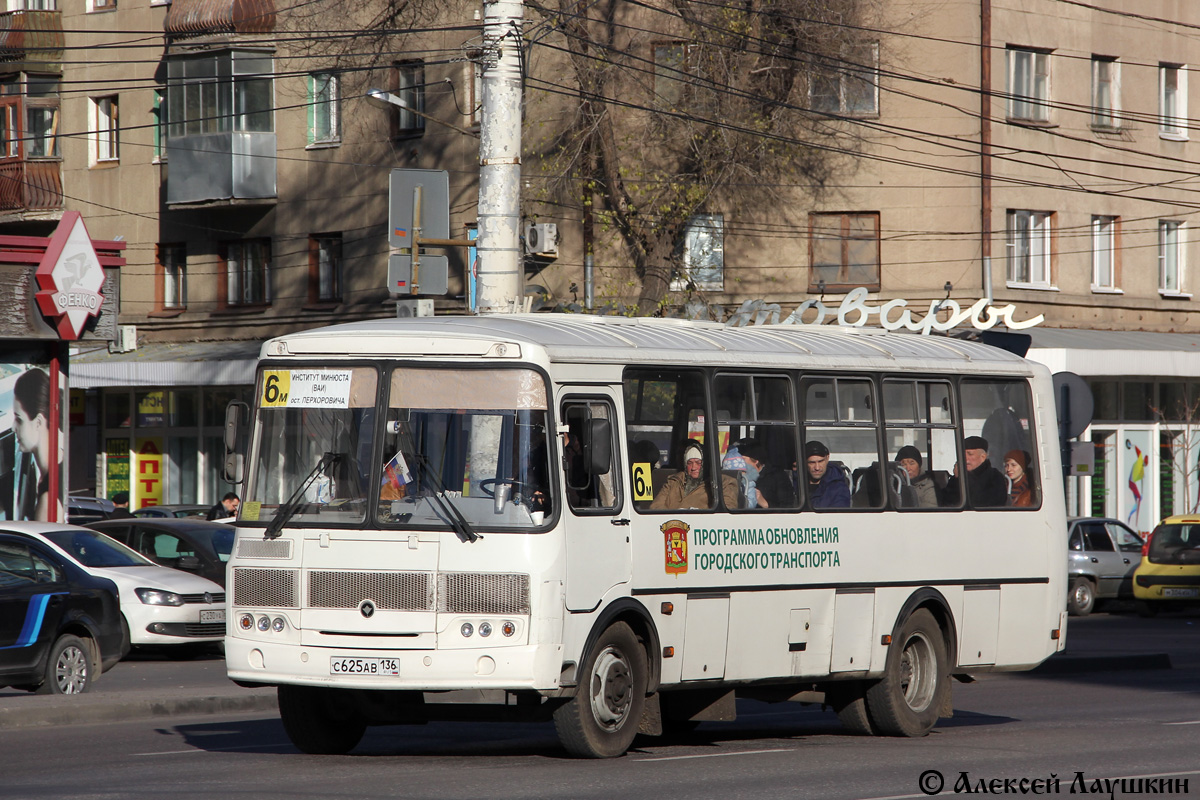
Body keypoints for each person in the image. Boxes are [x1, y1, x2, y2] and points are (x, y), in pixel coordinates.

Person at [14, 368, 63, 523]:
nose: (14, 427)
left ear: (39, 422)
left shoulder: (48, 499)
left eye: (19, 419)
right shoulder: (49, 470)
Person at [651, 440, 737, 510]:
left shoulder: (723, 483)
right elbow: (655, 507)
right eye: (689, 463)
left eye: (698, 463)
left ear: (706, 463)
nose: (693, 467)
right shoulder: (673, 481)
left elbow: (726, 512)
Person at [945, 435, 1008, 507]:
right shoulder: (956, 478)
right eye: (962, 454)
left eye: (970, 454)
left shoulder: (995, 477)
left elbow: (981, 502)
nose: (965, 459)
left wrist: (963, 478)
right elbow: (947, 503)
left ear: (983, 457)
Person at [737, 440, 796, 508]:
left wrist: (765, 504)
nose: (739, 463)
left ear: (756, 461)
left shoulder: (777, 477)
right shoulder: (735, 476)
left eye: (742, 459)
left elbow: (788, 507)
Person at [804, 440, 850, 509]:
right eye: (812, 462)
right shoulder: (796, 483)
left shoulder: (838, 488)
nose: (817, 468)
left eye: (820, 461)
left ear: (827, 458)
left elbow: (839, 515)